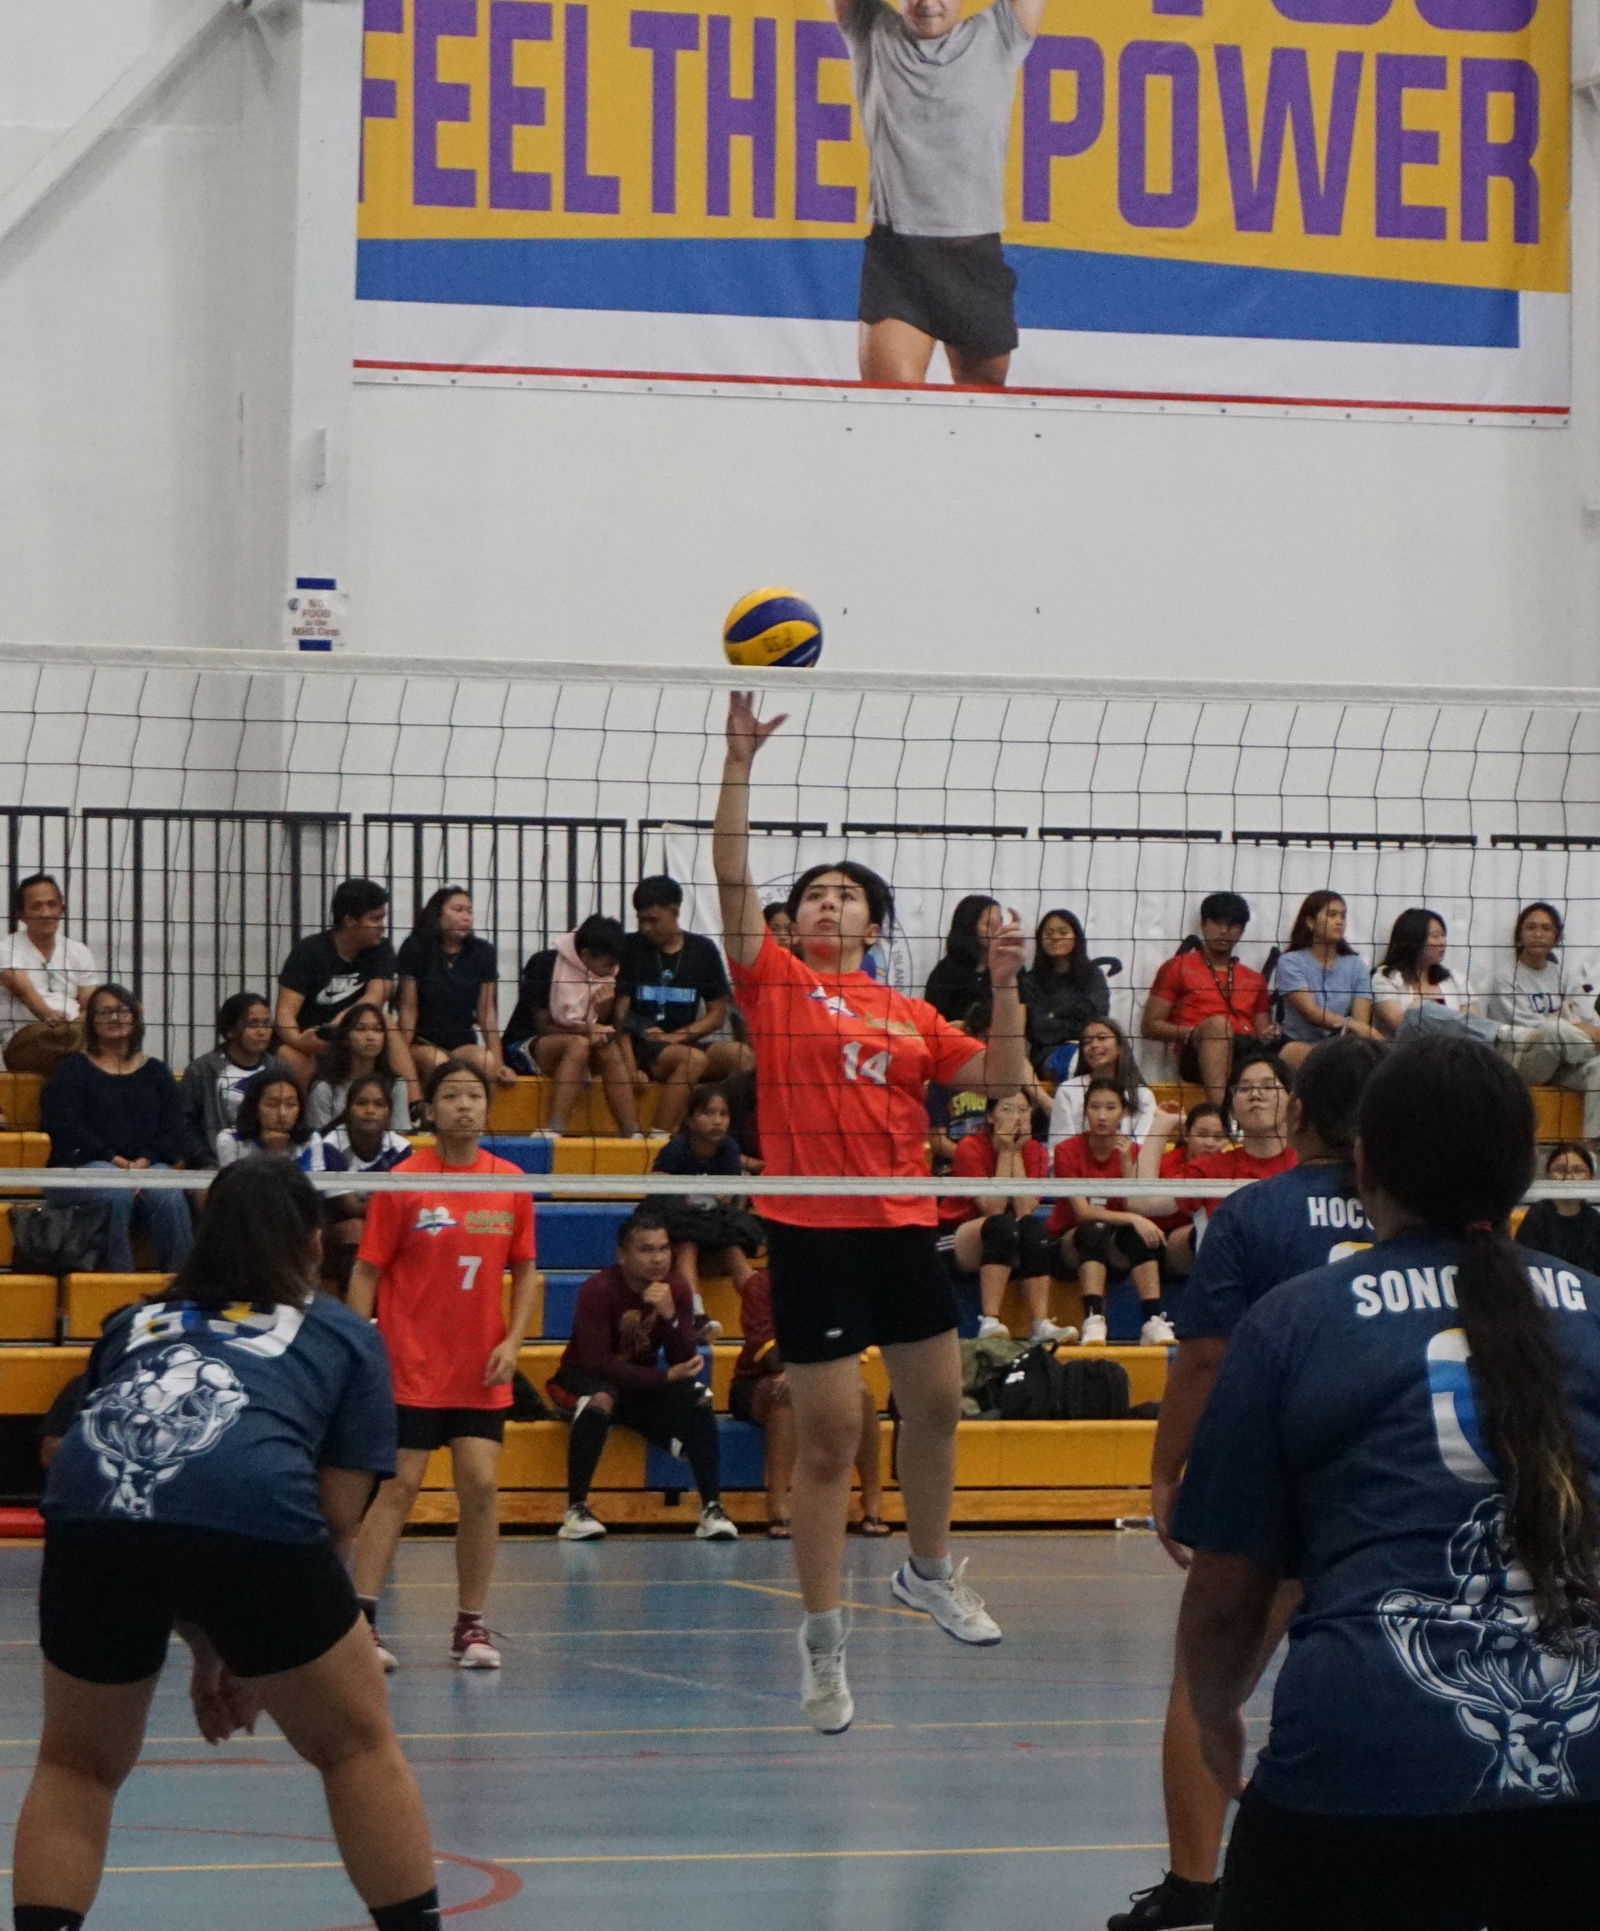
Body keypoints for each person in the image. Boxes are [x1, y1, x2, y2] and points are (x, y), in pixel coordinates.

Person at [1173, 1030, 1600, 1931]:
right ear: (1524, 1171)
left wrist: (1215, 1718)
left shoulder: (1293, 1323)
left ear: (1363, 1164)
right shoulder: (1593, 1311)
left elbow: (1226, 1596)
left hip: (1361, 1773)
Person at [14, 1157, 445, 1931]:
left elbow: (149, 1493)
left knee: (75, 1765)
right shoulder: (343, 1331)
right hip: (253, 1521)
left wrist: (222, 1644)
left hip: (88, 1521)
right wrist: (260, 1645)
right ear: (313, 1244)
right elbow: (334, 1516)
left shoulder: (134, 1320)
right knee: (357, 1747)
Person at [714, 691, 1024, 1735]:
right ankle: (821, 1643)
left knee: (935, 1402)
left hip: (897, 1220)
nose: (827, 904)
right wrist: (739, 763)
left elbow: (1002, 1082)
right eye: (813, 894)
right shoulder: (774, 983)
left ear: (875, 924)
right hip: (809, 1228)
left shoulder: (911, 1013)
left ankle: (926, 1571)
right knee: (830, 1434)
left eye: (846, 896)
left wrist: (1007, 985)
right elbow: (730, 876)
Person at [1115, 1035, 1383, 1931]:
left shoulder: (1252, 1212)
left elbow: (1201, 1355)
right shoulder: (1419, 1213)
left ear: (1298, 1112)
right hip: (1389, 1482)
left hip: (1282, 1480)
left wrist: (1165, 1470)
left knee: (1209, 1679)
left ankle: (1194, 1884)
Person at [349, 1059, 539, 1673]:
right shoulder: (402, 1181)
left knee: (480, 1487)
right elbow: (366, 1269)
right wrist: (361, 1343)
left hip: (479, 1367)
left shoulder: (509, 1181)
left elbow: (526, 1270)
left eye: (474, 1095)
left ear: (487, 1108)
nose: (464, 1105)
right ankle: (362, 1621)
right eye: (452, 1095)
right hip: (411, 1365)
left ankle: (470, 1625)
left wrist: (513, 1341)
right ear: (429, 1109)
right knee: (398, 1488)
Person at [832, 0, 1045, 388]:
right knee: (889, 412)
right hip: (898, 262)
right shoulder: (871, 31)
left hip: (974, 260)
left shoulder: (1000, 32)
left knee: (982, 419)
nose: (928, 3)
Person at [547, 1207, 738, 1543]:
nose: (658, 1259)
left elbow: (685, 1357)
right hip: (579, 1378)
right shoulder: (597, 1289)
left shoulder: (675, 1289)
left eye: (664, 1249)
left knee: (698, 1395)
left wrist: (670, 1316)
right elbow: (596, 1363)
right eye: (646, 1250)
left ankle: (712, 1509)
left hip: (635, 1382)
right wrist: (662, 1380)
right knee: (602, 1398)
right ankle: (575, 1510)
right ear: (622, 1255)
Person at [42, 986, 193, 1276]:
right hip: (78, 1168)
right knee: (116, 1190)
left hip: (146, 1168)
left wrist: (143, 1163)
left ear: (135, 1018)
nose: (115, 1016)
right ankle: (118, 1282)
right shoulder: (73, 1070)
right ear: (91, 1022)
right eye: (105, 1011)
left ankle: (182, 1283)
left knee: (169, 1192)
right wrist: (118, 1163)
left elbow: (174, 1131)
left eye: (123, 1010)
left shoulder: (157, 1072)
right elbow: (66, 1129)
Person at [731, 1266, 887, 1539]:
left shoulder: (840, 1286)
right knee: (789, 1392)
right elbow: (773, 1358)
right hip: (758, 1382)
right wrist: (803, 1368)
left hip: (819, 1376)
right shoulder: (761, 1284)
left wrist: (806, 1371)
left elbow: (848, 1352)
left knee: (861, 1392)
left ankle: (872, 1496)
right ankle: (778, 1500)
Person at [939, 1090, 1074, 1344]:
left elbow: (1024, 1210)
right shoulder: (969, 1147)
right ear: (990, 1116)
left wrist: (1014, 1153)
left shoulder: (1035, 1150)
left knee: (1032, 1227)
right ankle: (990, 1320)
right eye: (1007, 1110)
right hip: (955, 1234)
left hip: (1007, 1234)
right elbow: (993, 1209)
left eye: (1023, 1111)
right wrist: (1004, 1152)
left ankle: (1040, 1323)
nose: (1017, 1118)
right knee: (1001, 1225)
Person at [615, 876, 746, 1136]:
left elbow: (717, 1015)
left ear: (674, 912)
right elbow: (620, 1013)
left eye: (653, 920)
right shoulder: (630, 948)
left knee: (742, 1055)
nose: (646, 928)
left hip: (680, 1041)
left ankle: (730, 1134)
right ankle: (659, 1136)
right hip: (642, 1043)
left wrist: (674, 1038)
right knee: (693, 1060)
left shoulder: (703, 950)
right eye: (641, 920)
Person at [1049, 1079, 1173, 1347]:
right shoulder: (1066, 1150)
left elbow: (1133, 1205)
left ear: (1124, 1112)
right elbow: (1082, 1212)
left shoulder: (1133, 1151)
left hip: (1114, 1249)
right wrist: (1134, 1219)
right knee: (1096, 1229)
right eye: (1095, 1107)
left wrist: (1128, 1163)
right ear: (1085, 1112)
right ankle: (1093, 1319)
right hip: (1068, 1247)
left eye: (1110, 1107)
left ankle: (1153, 1320)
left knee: (1141, 1236)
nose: (1102, 1116)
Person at [276, 879, 418, 1108]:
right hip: (312, 1038)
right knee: (289, 1055)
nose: (382, 926)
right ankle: (300, 1123)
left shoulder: (381, 949)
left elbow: (374, 997)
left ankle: (414, 1106)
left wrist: (339, 1026)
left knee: (386, 1022)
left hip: (353, 1033)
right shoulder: (309, 951)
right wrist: (299, 1040)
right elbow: (284, 1013)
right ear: (350, 920)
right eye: (375, 918)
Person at [1142, 893, 1277, 1110]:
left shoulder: (1254, 979)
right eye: (1217, 923)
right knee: (1218, 1026)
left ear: (1241, 930)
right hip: (1195, 1052)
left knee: (1298, 1050)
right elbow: (1150, 1026)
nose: (1224, 931)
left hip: (1245, 1051)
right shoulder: (1178, 967)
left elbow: (1262, 1033)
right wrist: (1196, 1032)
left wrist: (1271, 1034)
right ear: (1203, 924)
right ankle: (1219, 1116)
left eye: (1232, 925)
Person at [1478, 901, 1600, 1141]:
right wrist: (1577, 1029)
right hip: (1525, 1060)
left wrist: (1579, 1029)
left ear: (1556, 936)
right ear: (1520, 935)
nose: (1538, 934)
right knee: (1552, 1029)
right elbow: (1534, 1031)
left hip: (1566, 1061)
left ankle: (1592, 1146)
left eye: (1546, 928)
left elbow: (1584, 1017)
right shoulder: (1505, 977)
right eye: (1531, 927)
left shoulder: (1562, 974)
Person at [530, 915, 642, 1138]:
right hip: (537, 1044)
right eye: (608, 963)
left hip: (589, 1046)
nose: (613, 970)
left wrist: (605, 1013)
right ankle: (555, 1128)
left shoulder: (617, 972)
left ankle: (632, 1132)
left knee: (607, 1048)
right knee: (579, 1045)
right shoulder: (544, 964)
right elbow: (542, 1026)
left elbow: (617, 1030)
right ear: (586, 955)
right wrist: (587, 1029)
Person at [651, 1083, 764, 1304]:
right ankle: (695, 1312)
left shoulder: (729, 1149)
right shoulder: (675, 1150)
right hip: (679, 1229)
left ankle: (760, 1311)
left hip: (713, 1227)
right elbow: (657, 1196)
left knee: (733, 1250)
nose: (717, 1120)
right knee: (687, 1246)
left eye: (723, 1114)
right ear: (690, 1120)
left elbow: (729, 1200)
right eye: (708, 1113)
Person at [395, 886, 514, 1088]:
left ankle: (483, 1118)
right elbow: (408, 1008)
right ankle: (429, 1117)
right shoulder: (416, 947)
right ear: (437, 915)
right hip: (423, 1040)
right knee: (438, 1063)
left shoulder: (482, 951)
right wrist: (400, 1057)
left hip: (462, 1042)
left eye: (469, 911)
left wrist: (499, 1063)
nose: (466, 917)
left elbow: (486, 1012)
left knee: (486, 1062)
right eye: (458, 910)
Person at [178, 991, 292, 1169]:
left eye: (266, 1024)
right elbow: (185, 1125)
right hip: (213, 1165)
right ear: (230, 1030)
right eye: (252, 1024)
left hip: (270, 1164)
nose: (262, 1032)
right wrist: (206, 1161)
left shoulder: (279, 1070)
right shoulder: (201, 1070)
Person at [1184, 1055, 1298, 1234]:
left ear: (1292, 1103)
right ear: (1232, 1110)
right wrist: (1160, 1124)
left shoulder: (1309, 1165)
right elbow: (1145, 1202)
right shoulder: (1209, 1167)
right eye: (1244, 1088)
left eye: (1268, 1086)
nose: (1255, 1095)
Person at [0, 873, 95, 1078]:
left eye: (52, 904)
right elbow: (23, 989)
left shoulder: (78, 951)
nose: (46, 912)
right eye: (37, 906)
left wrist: (80, 1023)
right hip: (27, 1038)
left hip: (73, 1032)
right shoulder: (6, 949)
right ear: (21, 914)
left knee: (123, 1015)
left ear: (62, 908)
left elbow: (90, 1001)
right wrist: (53, 1019)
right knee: (62, 1036)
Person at [1274, 891, 1380, 1069]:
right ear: (1310, 922)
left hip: (1342, 1047)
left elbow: (1360, 1020)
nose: (1339, 921)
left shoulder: (1356, 965)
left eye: (1343, 916)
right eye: (1332, 915)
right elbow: (1310, 1012)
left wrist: (1357, 1029)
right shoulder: (1290, 961)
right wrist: (1349, 1024)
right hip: (1299, 1045)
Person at [1143, 1101, 1232, 1281]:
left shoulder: (1230, 1165)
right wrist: (1161, 1123)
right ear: (1186, 1134)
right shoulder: (1168, 1163)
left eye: (1218, 1137)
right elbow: (1141, 1200)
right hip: (1159, 1243)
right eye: (1202, 1134)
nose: (1209, 1143)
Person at [1019, 907, 1110, 1078]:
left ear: (1076, 937)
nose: (1055, 937)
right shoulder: (1030, 981)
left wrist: (1055, 1016)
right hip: (1049, 1053)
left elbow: (1097, 1017)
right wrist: (1076, 1023)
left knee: (1117, 1057)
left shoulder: (1093, 975)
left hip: (1091, 1044)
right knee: (1076, 1060)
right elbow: (1038, 1029)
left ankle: (1143, 1103)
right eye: (1049, 932)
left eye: (1063, 932)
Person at [1047, 1015, 1156, 1149]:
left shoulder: (1142, 1095)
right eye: (1087, 1041)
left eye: (1102, 1038)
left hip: (1127, 1166)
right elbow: (1059, 1147)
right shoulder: (1068, 1090)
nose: (1094, 1045)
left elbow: (1142, 1149)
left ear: (1120, 1047)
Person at [305, 1003, 413, 1136]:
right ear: (345, 1038)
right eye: (361, 1029)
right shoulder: (325, 1087)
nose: (371, 1037)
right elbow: (317, 1141)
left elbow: (400, 1136)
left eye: (378, 1030)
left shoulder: (396, 1084)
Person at [217, 1071, 347, 1174]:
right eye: (272, 1105)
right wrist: (272, 1153)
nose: (282, 1113)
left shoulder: (310, 1140)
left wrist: (278, 1153)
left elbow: (308, 1193)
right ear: (254, 1107)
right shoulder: (231, 1139)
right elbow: (232, 1190)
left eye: (291, 1105)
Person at [1370, 907, 1469, 1034]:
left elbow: (1475, 1023)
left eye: (1443, 935)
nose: (1442, 942)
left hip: (1453, 1050)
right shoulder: (1385, 978)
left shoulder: (1454, 978)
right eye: (1435, 936)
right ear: (1413, 940)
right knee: (1418, 1009)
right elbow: (1399, 1024)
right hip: (1406, 1051)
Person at [1515, 1143, 1600, 1275]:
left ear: (1591, 1177)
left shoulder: (1595, 1220)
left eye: (1578, 1171)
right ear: (1548, 1175)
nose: (1569, 1178)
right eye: (1560, 1170)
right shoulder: (1537, 1216)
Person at [923, 895, 1001, 1023]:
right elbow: (932, 1024)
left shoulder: (1010, 968)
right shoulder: (944, 973)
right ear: (969, 927)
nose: (997, 930)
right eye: (988, 924)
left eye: (1000, 922)